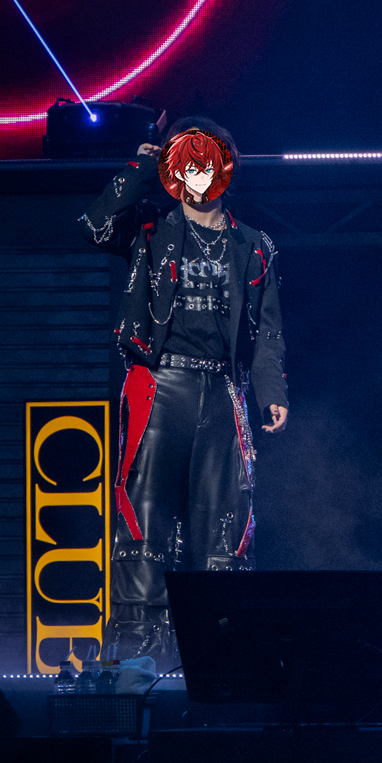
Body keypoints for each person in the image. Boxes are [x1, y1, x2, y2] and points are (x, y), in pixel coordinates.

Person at [82, 117, 287, 662]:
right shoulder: (150, 228)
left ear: (225, 168)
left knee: (225, 529)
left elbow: (267, 331)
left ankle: (225, 660)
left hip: (223, 390)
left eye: (206, 163)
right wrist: (142, 167)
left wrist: (271, 390)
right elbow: (95, 225)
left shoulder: (254, 245)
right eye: (186, 164)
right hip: (159, 385)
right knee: (144, 521)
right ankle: (138, 658)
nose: (197, 175)